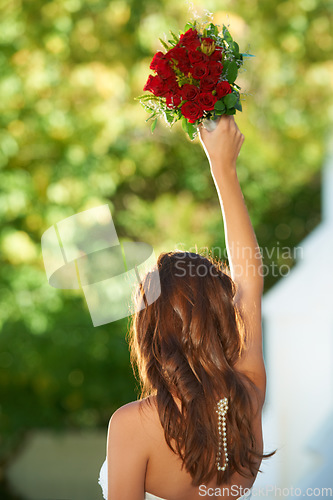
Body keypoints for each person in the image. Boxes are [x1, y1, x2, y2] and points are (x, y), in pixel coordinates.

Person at [98, 116, 274, 500]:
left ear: (149, 329)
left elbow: (248, 283)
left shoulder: (132, 425)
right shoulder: (247, 395)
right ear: (223, 314)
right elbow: (250, 279)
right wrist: (223, 167)